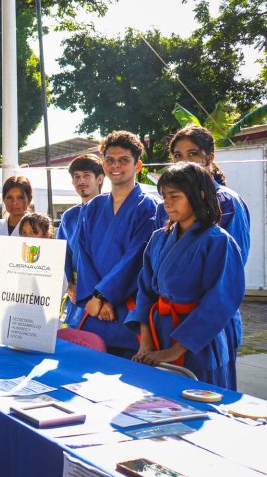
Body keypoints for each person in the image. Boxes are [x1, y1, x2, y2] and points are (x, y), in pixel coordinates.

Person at [126, 162, 244, 389]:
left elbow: (220, 302)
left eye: (175, 196)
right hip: (159, 333)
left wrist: (176, 350)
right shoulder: (158, 238)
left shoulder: (219, 241)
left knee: (199, 397)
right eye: (164, 196)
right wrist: (146, 341)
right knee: (159, 400)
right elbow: (145, 292)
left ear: (199, 195)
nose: (167, 203)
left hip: (199, 340)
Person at [76, 131, 158, 357]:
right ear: (103, 164)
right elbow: (83, 255)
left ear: (138, 165)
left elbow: (137, 257)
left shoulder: (149, 207)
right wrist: (94, 297)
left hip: (128, 309)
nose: (116, 166)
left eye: (124, 160)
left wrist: (105, 296)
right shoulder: (92, 207)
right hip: (94, 309)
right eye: (110, 160)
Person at [156, 124, 250, 262]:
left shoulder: (227, 201)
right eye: (177, 155)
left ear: (210, 158)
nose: (184, 161)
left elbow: (233, 260)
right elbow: (156, 257)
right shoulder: (164, 206)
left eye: (192, 153)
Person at [57, 154, 105, 327]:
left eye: (86, 175)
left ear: (100, 179)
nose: (81, 181)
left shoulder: (113, 212)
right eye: (76, 176)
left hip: (104, 293)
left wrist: (103, 293)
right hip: (76, 294)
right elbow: (61, 254)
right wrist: (69, 283)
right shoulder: (69, 216)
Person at [0, 175, 33, 305]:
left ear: (29, 199)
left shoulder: (36, 229)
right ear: (3, 199)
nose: (14, 203)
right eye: (9, 197)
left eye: (20, 197)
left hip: (26, 294)